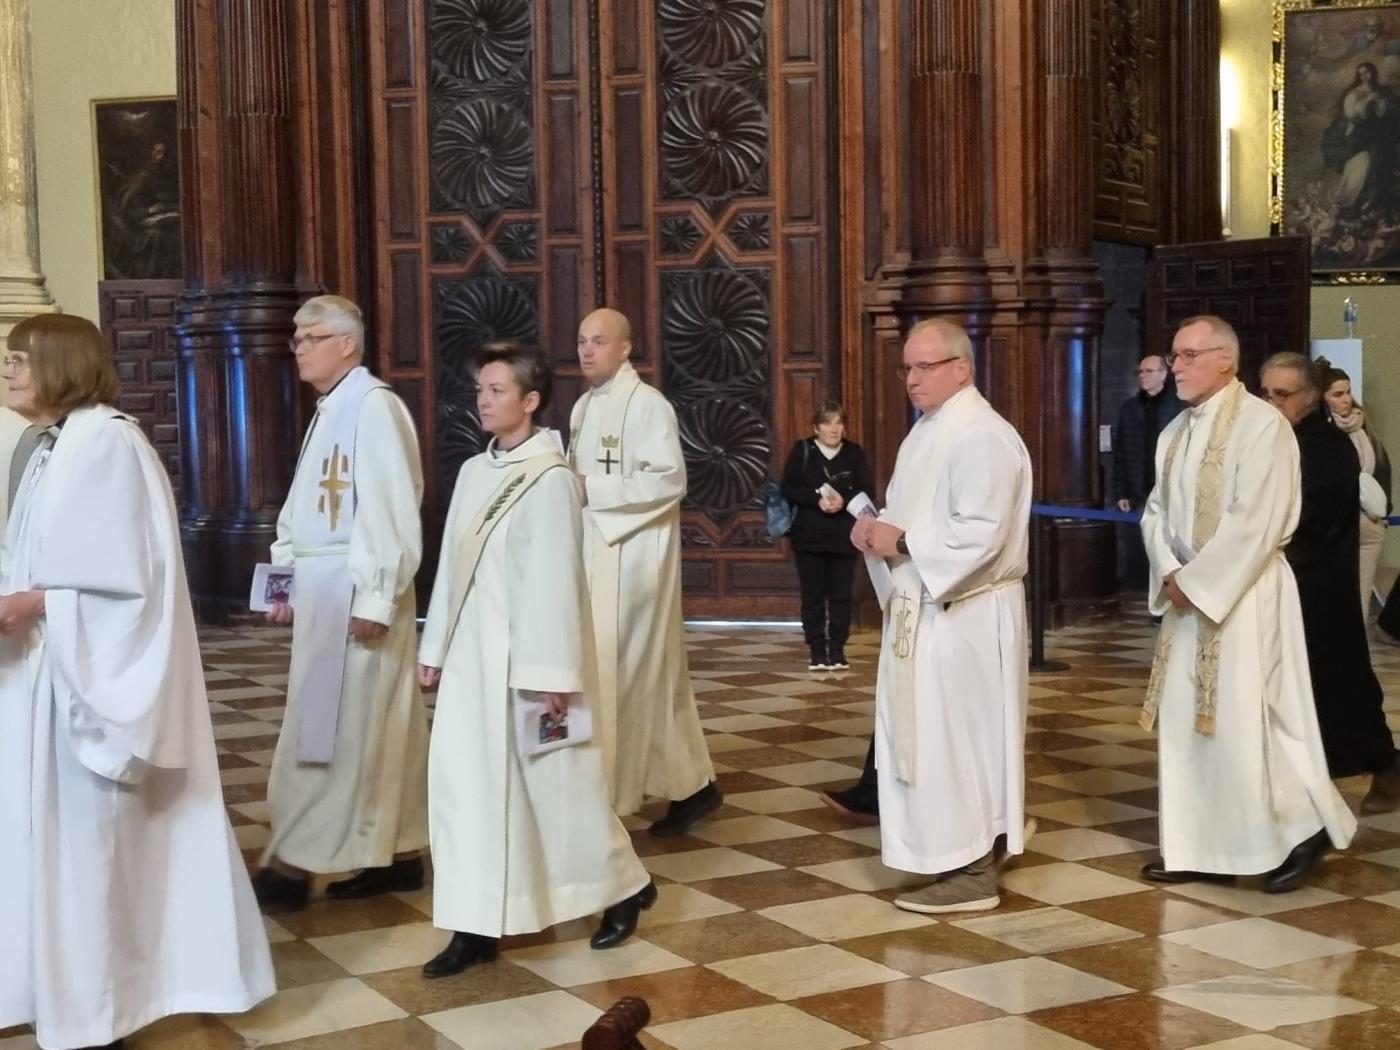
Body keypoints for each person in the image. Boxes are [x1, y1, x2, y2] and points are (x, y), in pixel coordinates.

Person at [0, 315, 274, 1049]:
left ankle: (115, 999)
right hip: (49, 676)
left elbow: (136, 587)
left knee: (102, 846)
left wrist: (37, 604)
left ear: (62, 363)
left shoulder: (108, 444)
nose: (9, 372)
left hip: (92, 687)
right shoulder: (51, 448)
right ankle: (71, 990)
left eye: (20, 360)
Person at [417, 341, 656, 978]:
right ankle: (474, 925)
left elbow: (553, 582)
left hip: (528, 668)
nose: (483, 401)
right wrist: (434, 648)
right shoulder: (473, 473)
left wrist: (552, 676)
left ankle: (624, 888)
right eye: (480, 390)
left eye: (497, 391)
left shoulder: (549, 481)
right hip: (472, 666)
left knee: (560, 790)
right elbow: (451, 573)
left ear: (530, 401)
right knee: (466, 794)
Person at [1138, 317, 1356, 893]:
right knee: (1191, 725)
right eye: (1175, 353)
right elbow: (1155, 511)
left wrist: (1200, 580)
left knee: (1255, 717)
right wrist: (1169, 571)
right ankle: (1198, 846)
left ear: (1225, 361)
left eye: (1188, 355)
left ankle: (1297, 830)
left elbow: (1255, 521)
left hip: (1247, 594)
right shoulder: (1175, 432)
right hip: (1189, 595)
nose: (1176, 365)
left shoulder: (1264, 427)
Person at [252, 295, 430, 909]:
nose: (297, 346)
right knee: (374, 727)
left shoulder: (373, 408)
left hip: (357, 596)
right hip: (326, 592)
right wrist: (286, 580)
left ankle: (297, 864)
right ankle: (398, 851)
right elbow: (305, 512)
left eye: (309, 337)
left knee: (336, 732)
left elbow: (391, 510)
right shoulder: (331, 409)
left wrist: (377, 599)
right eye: (297, 338)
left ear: (346, 344)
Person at [850, 319, 1031, 914]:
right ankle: (955, 852)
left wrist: (899, 542)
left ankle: (974, 869)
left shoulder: (981, 434)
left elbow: (980, 535)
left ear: (962, 367)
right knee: (932, 738)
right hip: (927, 611)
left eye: (925, 367)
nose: (911, 379)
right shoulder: (929, 430)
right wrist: (876, 529)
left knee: (962, 740)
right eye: (906, 367)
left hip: (966, 615)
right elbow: (911, 518)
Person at [569, 308, 720, 834]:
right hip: (593, 556)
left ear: (626, 348)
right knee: (648, 679)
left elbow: (668, 480)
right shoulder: (583, 408)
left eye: (599, 341)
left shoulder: (649, 406)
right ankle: (692, 786)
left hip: (635, 561)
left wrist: (596, 489)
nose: (587, 351)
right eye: (582, 341)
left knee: (624, 674)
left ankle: (609, 794)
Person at [1260, 354, 1398, 813]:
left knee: (1340, 683)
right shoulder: (1279, 438)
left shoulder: (1324, 446)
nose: (1273, 402)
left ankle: (1386, 769)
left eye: (1284, 394)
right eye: (1267, 393)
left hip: (1318, 586)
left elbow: (1309, 519)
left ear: (1311, 396)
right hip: (1288, 584)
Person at [780, 401, 874, 671]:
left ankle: (837, 649)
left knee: (841, 595)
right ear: (815, 427)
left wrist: (843, 501)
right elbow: (789, 487)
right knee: (813, 596)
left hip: (844, 536)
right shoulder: (803, 450)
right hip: (808, 536)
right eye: (827, 423)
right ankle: (817, 650)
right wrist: (815, 500)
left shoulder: (854, 453)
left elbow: (867, 489)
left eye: (839, 423)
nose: (834, 429)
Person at [1318, 361, 1391, 617]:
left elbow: (1381, 470)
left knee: (1360, 602)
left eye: (1348, 392)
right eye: (1338, 394)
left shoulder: (1362, 427)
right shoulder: (1322, 433)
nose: (1346, 400)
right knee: (1336, 599)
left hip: (1370, 522)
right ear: (1322, 398)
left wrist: (1381, 515)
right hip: (1340, 524)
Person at [1112, 354, 1187, 591]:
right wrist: (1121, 491)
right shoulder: (1130, 408)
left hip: (1170, 490)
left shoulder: (1179, 407)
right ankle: (1144, 592)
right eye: (1140, 372)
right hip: (1139, 487)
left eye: (1148, 371)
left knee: (1170, 548)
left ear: (1164, 374)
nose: (1142, 376)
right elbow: (1121, 452)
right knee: (1142, 545)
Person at [1322, 62, 1400, 217]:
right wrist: (1369, 101)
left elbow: (1391, 112)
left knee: (1382, 155)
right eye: (1361, 74)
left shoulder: (1383, 91)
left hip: (1381, 131)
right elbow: (1352, 114)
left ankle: (1377, 196)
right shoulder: (1354, 93)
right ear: (1358, 76)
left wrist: (1383, 107)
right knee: (1370, 157)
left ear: (1374, 73)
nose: (1365, 76)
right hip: (1362, 133)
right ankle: (1369, 196)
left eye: (1368, 72)